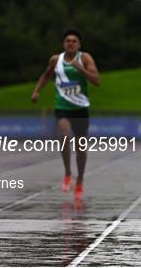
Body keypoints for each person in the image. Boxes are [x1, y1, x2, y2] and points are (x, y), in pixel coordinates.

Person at [31, 29, 100, 200]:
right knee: (64, 134)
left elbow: (97, 81)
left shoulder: (84, 58)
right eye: (68, 40)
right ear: (63, 44)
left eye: (74, 41)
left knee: (81, 148)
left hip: (81, 108)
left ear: (79, 44)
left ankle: (80, 179)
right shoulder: (56, 60)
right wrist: (37, 91)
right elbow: (46, 76)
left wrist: (81, 69)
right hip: (62, 107)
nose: (70, 43)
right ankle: (68, 173)